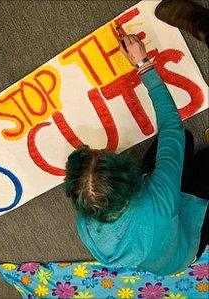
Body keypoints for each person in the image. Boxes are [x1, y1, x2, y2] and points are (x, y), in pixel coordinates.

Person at [64, 33, 209, 275]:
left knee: (183, 141)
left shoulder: (85, 223)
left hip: (158, 241)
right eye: (104, 154)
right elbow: (170, 126)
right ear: (129, 177)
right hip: (183, 249)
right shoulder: (158, 198)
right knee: (201, 156)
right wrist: (143, 64)